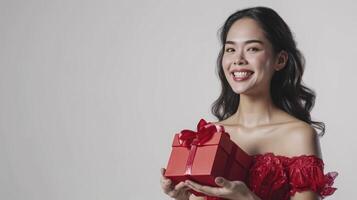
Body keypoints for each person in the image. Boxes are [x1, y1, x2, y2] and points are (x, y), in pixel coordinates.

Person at [160, 6, 338, 200]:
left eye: (252, 48)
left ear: (280, 60)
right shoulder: (209, 135)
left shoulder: (299, 135)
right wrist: (185, 197)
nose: (238, 59)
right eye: (230, 49)